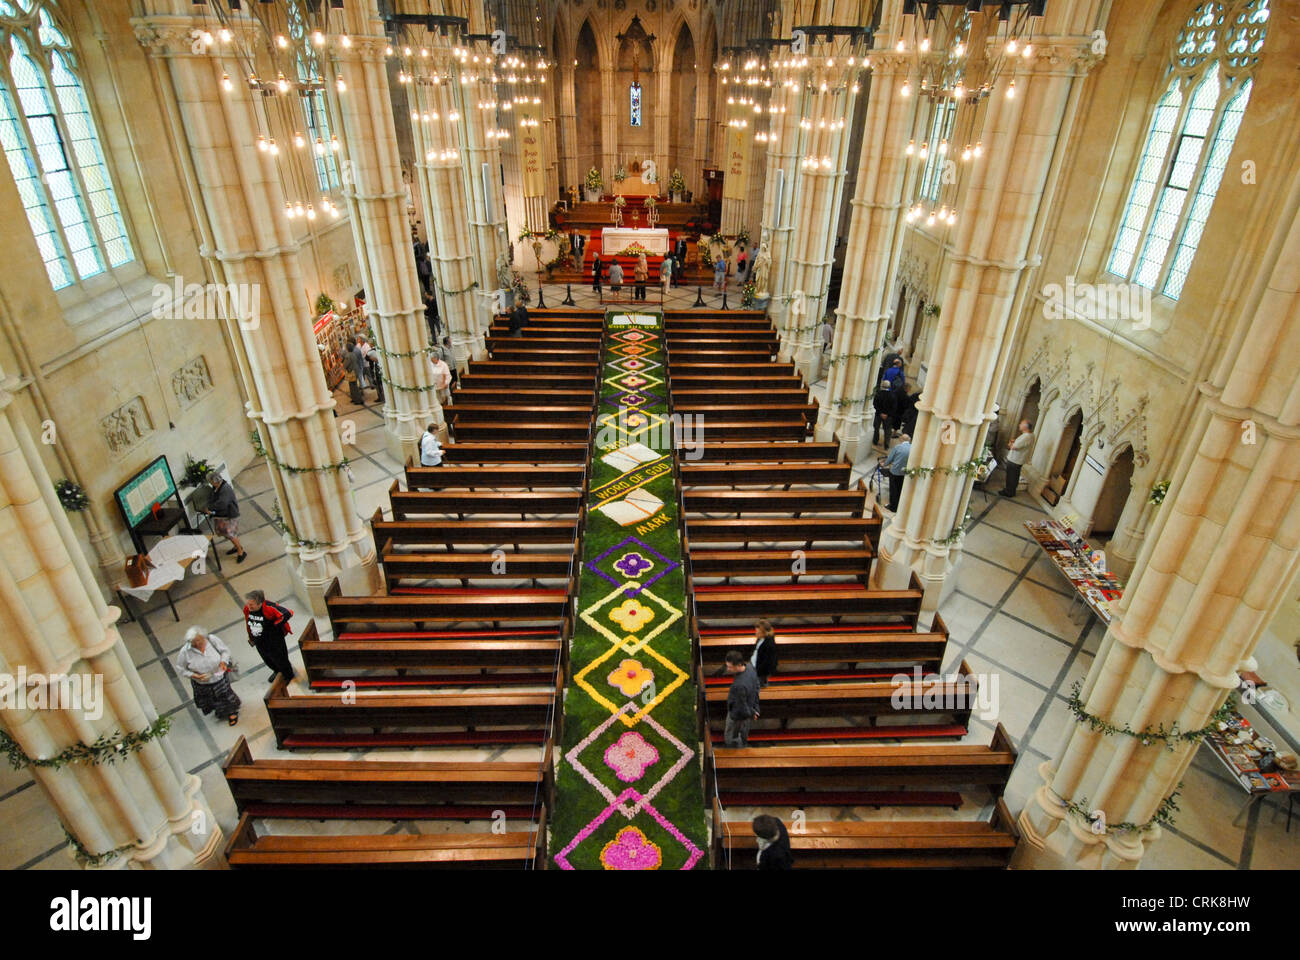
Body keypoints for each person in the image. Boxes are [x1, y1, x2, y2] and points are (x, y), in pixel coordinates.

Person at [176, 626, 240, 725]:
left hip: (219, 676)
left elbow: (225, 651)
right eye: (194, 642)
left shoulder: (212, 640)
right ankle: (220, 710)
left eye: (199, 640)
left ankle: (231, 712)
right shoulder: (185, 652)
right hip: (202, 682)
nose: (197, 644)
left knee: (225, 695)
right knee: (210, 698)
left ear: (203, 637)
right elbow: (181, 668)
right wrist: (194, 675)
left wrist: (223, 662)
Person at [243, 589, 295, 684]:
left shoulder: (269, 607)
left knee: (281, 659)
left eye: (251, 605)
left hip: (274, 641)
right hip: (259, 640)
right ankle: (277, 671)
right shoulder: (247, 609)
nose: (248, 606)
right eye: (248, 604)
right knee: (267, 658)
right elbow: (248, 623)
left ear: (260, 603)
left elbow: (288, 613)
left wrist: (274, 626)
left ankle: (288, 675)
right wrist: (251, 638)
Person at [202, 473, 246, 563]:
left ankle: (241, 551)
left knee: (230, 533)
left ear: (214, 481)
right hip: (223, 514)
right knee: (224, 532)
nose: (210, 483)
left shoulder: (225, 489)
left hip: (229, 515)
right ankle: (236, 546)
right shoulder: (216, 487)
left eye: (210, 481)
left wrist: (210, 508)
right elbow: (213, 498)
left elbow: (222, 503)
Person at [723, 649, 760, 747]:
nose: (728, 669)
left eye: (730, 667)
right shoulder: (750, 668)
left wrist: (751, 712)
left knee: (731, 738)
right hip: (748, 711)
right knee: (743, 736)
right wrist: (755, 709)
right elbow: (757, 687)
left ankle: (734, 755)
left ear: (739, 665)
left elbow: (741, 706)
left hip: (737, 716)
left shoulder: (739, 685)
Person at [1001, 420, 1035, 497]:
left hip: (1015, 460)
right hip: (1017, 460)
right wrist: (1014, 442)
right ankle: (1009, 490)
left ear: (1026, 426)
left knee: (1012, 477)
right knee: (1013, 476)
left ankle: (1009, 492)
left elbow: (1014, 447)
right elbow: (1019, 444)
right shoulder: (1029, 435)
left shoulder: (1026, 436)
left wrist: (1011, 443)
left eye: (1021, 424)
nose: (1019, 425)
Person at [881, 433, 912, 512]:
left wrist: (884, 464)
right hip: (905, 472)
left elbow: (890, 458)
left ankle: (893, 507)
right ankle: (899, 505)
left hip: (895, 471)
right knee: (900, 489)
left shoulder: (898, 447)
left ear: (901, 439)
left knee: (893, 489)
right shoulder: (912, 448)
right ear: (909, 440)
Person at [750, 619, 778, 687]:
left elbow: (768, 662)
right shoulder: (760, 639)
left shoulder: (769, 644)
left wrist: (758, 672)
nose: (756, 633)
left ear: (764, 632)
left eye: (758, 632)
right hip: (755, 669)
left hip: (760, 673)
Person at [872, 379, 898, 449]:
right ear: (889, 386)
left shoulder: (878, 394)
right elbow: (894, 407)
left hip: (878, 415)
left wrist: (880, 413)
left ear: (882, 386)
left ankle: (875, 441)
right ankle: (886, 445)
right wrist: (887, 414)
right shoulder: (893, 396)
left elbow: (875, 404)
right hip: (888, 416)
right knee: (887, 431)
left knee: (876, 428)